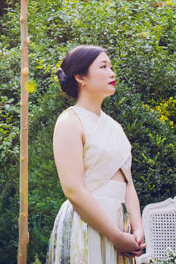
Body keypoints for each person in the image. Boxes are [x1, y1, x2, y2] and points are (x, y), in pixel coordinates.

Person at [47, 45, 146, 263]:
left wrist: (137, 229)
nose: (112, 73)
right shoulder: (70, 121)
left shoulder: (115, 127)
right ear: (81, 77)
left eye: (111, 67)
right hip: (88, 223)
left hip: (121, 223)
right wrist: (115, 236)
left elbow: (128, 183)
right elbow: (73, 190)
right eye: (103, 66)